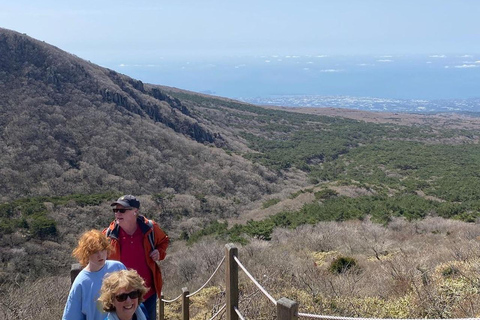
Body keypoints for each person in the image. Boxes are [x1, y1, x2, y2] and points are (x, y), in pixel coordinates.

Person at [103, 195, 169, 320]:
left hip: (147, 293)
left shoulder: (150, 228)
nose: (117, 213)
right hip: (122, 297)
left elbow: (164, 241)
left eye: (122, 210)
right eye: (115, 210)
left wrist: (159, 252)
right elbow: (95, 255)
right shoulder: (109, 234)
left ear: (135, 211)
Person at [63, 229, 126, 320]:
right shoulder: (81, 283)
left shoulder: (118, 267)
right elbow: (71, 316)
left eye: (102, 250)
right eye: (95, 252)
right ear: (86, 253)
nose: (100, 255)